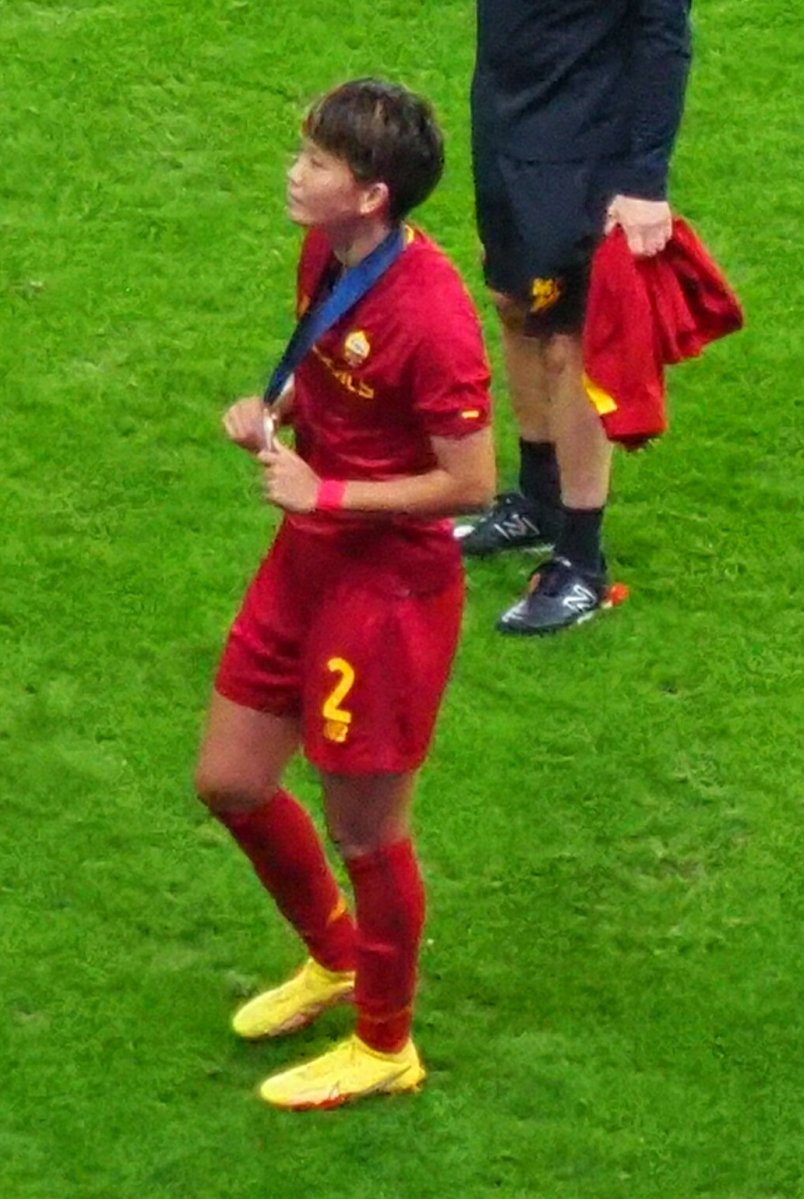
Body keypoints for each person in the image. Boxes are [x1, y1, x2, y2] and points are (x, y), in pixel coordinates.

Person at [195, 79, 495, 1110]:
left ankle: (385, 1043)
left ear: (370, 194)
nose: (295, 172)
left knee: (367, 833)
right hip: (306, 561)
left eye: (317, 162)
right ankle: (334, 958)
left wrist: (326, 490)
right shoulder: (329, 249)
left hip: (388, 592)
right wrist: (274, 405)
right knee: (231, 780)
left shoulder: (435, 318)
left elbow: (472, 483)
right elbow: (330, 367)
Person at [459, 0, 693, 634]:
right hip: (504, 117)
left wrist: (644, 182)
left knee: (569, 337)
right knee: (513, 303)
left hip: (585, 145)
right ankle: (539, 503)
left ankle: (581, 560)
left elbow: (664, 35)